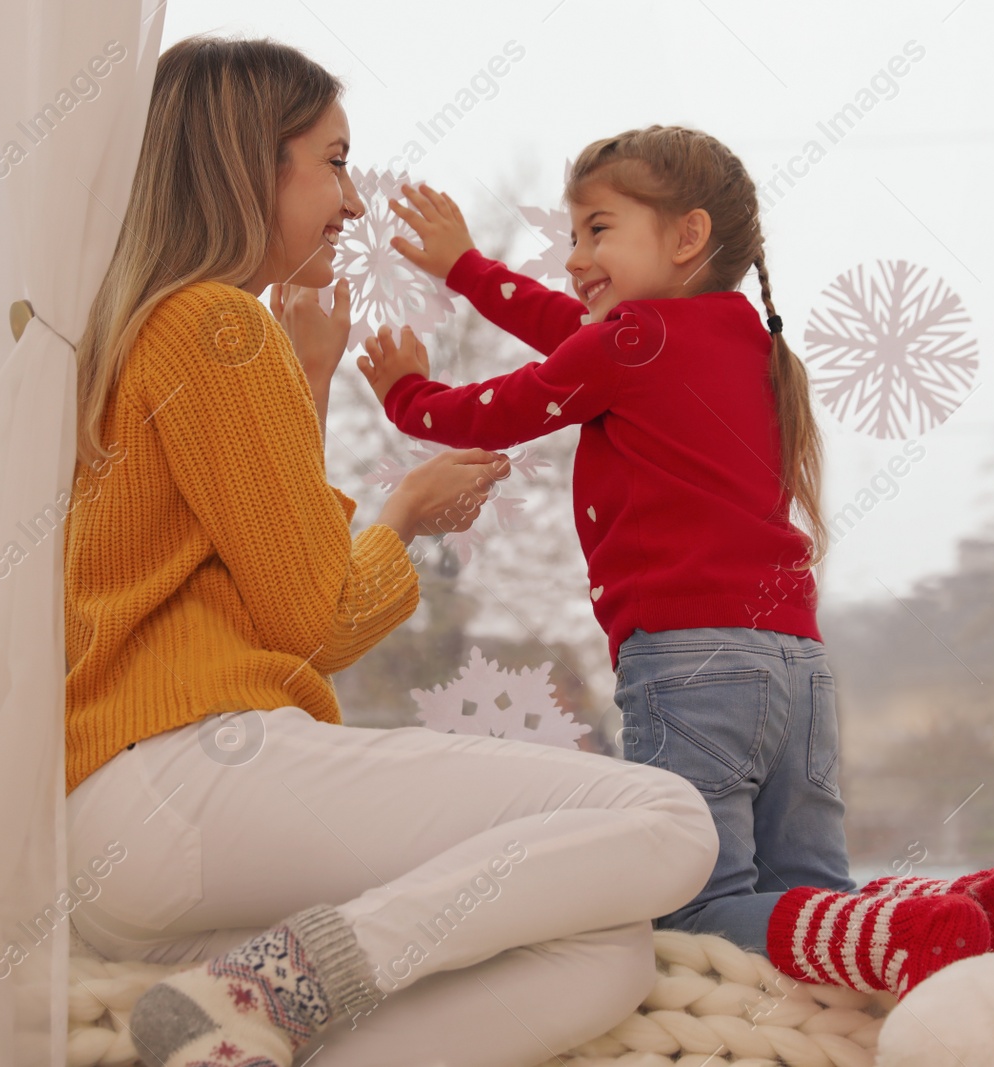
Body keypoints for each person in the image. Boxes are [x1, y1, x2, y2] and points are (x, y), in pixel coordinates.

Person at [61, 37, 723, 1067]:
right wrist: (405, 508)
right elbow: (318, 622)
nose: (354, 203)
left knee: (603, 953)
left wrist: (310, 380)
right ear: (250, 160)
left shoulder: (149, 324)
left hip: (129, 845)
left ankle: (238, 1026)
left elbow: (259, 554)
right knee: (668, 816)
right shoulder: (214, 322)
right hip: (183, 774)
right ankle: (284, 979)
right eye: (332, 162)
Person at [357, 128, 994, 1000]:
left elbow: (493, 410)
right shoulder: (746, 342)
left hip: (690, 669)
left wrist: (405, 390)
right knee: (809, 894)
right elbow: (572, 332)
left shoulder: (630, 345)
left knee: (692, 909)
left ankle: (910, 922)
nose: (575, 256)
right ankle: (978, 907)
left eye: (596, 229)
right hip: (800, 670)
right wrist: (467, 267)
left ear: (687, 236)